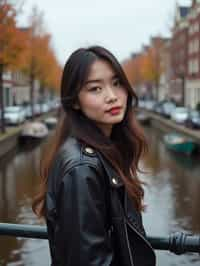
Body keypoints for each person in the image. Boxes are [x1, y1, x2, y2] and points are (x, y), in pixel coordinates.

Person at [32, 46, 156, 266]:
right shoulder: (82, 168)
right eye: (95, 89)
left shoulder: (104, 152)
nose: (112, 97)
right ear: (74, 101)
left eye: (117, 83)